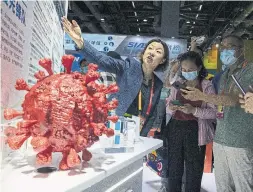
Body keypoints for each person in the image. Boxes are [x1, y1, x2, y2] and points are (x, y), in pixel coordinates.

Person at [62, 17, 169, 137]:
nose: (152, 52)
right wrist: (81, 42)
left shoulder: (158, 84)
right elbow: (103, 60)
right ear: (143, 53)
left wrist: (142, 136)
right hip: (113, 124)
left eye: (158, 52)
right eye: (150, 48)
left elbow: (151, 114)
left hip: (135, 132)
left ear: (162, 60)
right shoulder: (130, 66)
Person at [181, 35, 253, 192]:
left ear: (242, 50)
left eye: (230, 47)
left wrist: (202, 96)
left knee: (243, 186)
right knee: (222, 186)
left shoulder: (249, 70)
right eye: (223, 47)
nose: (225, 51)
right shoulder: (225, 75)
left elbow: (234, 100)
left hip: (240, 142)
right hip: (220, 139)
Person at [165, 51, 216, 192]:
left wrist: (194, 111)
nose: (187, 72)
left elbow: (214, 113)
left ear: (199, 68)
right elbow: (168, 105)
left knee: (194, 171)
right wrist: (170, 107)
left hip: (195, 131)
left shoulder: (206, 86)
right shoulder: (177, 84)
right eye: (184, 70)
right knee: (174, 168)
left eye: (191, 70)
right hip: (175, 127)